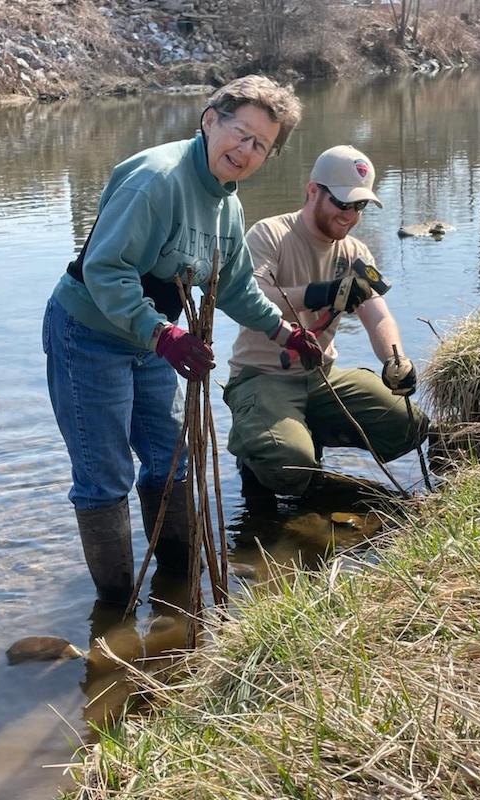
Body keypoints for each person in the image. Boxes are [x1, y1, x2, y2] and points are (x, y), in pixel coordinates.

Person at [42, 75, 323, 604]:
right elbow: (106, 269)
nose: (245, 149)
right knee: (105, 476)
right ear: (210, 119)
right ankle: (116, 609)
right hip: (90, 334)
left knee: (170, 456)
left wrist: (285, 333)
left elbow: (236, 287)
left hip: (151, 340)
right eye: (239, 132)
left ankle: (177, 591)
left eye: (261, 144)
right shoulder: (158, 179)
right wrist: (163, 334)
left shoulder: (229, 208)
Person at [224, 144, 429, 500]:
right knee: (290, 466)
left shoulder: (356, 253)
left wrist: (396, 359)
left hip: (322, 377)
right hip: (262, 376)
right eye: (342, 203)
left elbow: (377, 314)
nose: (350, 215)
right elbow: (250, 302)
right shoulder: (268, 235)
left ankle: (305, 429)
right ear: (313, 191)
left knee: (410, 426)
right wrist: (319, 293)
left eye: (359, 206)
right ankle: (262, 450)